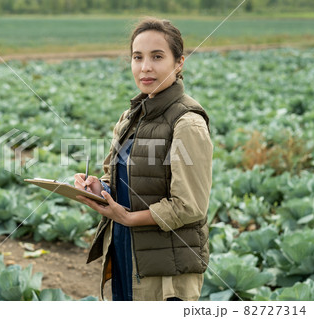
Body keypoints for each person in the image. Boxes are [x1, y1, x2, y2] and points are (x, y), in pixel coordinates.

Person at [74, 17, 213, 301]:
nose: (145, 67)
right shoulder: (130, 117)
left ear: (179, 62)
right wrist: (98, 189)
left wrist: (127, 217)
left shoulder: (187, 122)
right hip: (125, 251)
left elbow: (190, 207)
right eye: (138, 57)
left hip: (166, 269)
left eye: (157, 57)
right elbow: (115, 180)